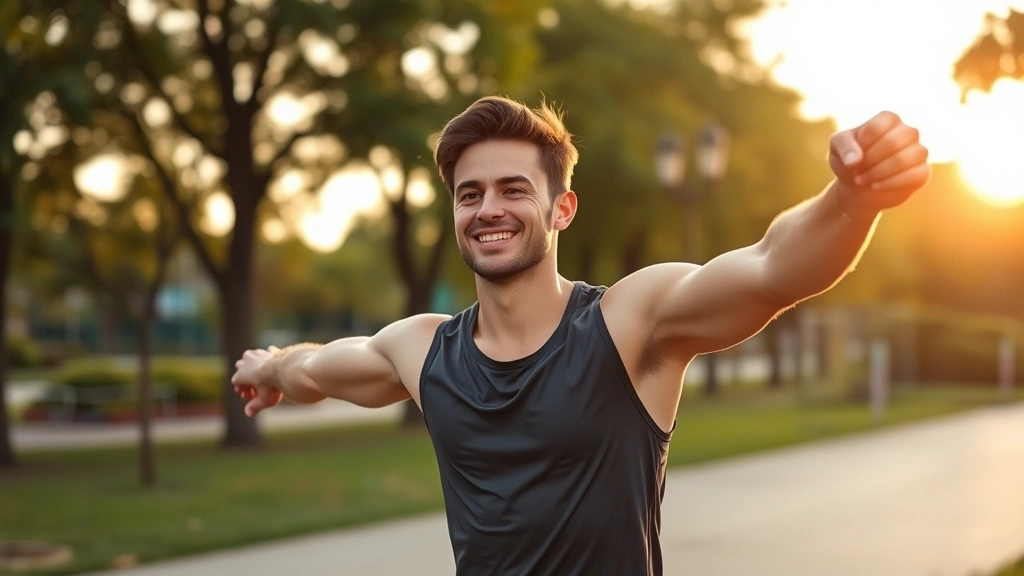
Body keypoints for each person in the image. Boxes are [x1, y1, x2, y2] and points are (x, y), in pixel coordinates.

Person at [231, 95, 930, 575]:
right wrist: (270, 367)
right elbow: (317, 369)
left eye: (513, 189)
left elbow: (772, 269)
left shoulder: (630, 324)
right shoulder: (421, 349)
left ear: (561, 208)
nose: (488, 209)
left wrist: (853, 197)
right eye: (469, 194)